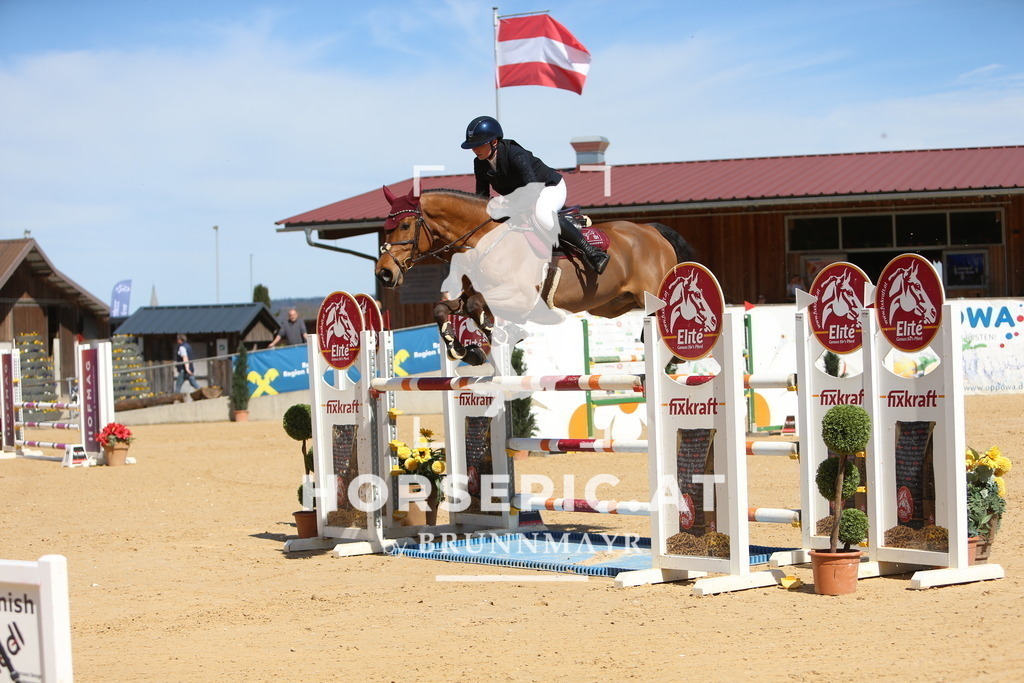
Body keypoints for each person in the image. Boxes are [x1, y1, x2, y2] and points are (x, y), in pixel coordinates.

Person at [461, 115, 609, 274]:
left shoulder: (515, 154)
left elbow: (532, 190)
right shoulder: (479, 163)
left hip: (548, 188)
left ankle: (592, 253)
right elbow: (481, 197)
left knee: (542, 215)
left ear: (494, 142)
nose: (474, 149)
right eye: (472, 146)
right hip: (521, 196)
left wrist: (510, 210)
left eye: (479, 145)